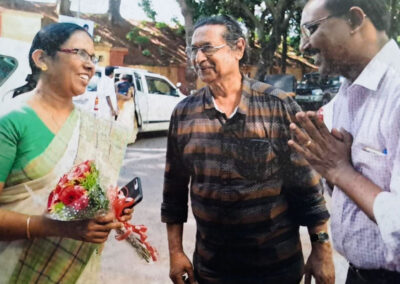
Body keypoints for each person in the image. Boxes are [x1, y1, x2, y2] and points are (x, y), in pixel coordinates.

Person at [161, 15, 334, 284]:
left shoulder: (277, 106)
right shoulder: (184, 113)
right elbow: (173, 191)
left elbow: (307, 186)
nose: (198, 58)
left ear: (238, 48)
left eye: (207, 47)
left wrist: (322, 250)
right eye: (194, 50)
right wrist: (175, 252)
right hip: (210, 269)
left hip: (276, 268)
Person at [0, 23, 132, 284]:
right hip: (17, 271)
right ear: (42, 59)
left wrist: (114, 210)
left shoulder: (92, 126)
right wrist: (57, 228)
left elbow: (90, 196)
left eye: (92, 58)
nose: (90, 65)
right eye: (80, 53)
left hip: (75, 272)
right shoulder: (12, 121)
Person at [289, 0, 400, 283]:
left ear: (354, 20)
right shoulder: (345, 96)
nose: (304, 46)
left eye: (311, 29)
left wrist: (340, 170)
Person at [116, 73, 137, 143]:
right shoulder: (131, 86)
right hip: (129, 105)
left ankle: (122, 138)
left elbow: (125, 97)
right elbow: (129, 97)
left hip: (123, 105)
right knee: (128, 121)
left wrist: (119, 95)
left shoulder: (118, 85)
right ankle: (127, 139)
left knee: (122, 121)